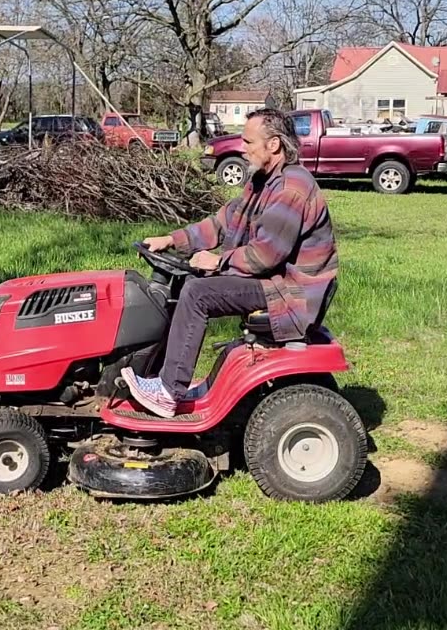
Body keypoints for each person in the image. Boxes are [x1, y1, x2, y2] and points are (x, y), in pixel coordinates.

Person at [121, 107, 339, 418]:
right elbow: (222, 222)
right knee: (186, 282)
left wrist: (217, 261)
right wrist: (172, 239)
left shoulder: (292, 188)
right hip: (277, 281)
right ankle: (156, 376)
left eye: (249, 142)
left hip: (293, 293)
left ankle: (168, 392)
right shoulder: (263, 181)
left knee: (198, 293)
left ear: (274, 145)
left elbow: (265, 256)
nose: (242, 148)